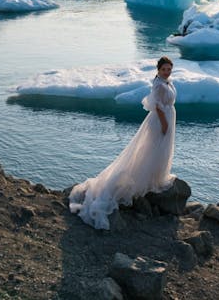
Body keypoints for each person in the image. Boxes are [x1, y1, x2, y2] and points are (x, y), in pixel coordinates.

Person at [69, 56, 177, 229]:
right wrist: (164, 123)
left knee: (158, 149)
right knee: (154, 148)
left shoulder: (165, 81)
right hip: (160, 120)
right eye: (164, 69)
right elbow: (156, 105)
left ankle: (156, 177)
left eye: (169, 69)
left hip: (167, 116)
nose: (167, 71)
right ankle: (149, 179)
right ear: (158, 70)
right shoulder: (158, 84)